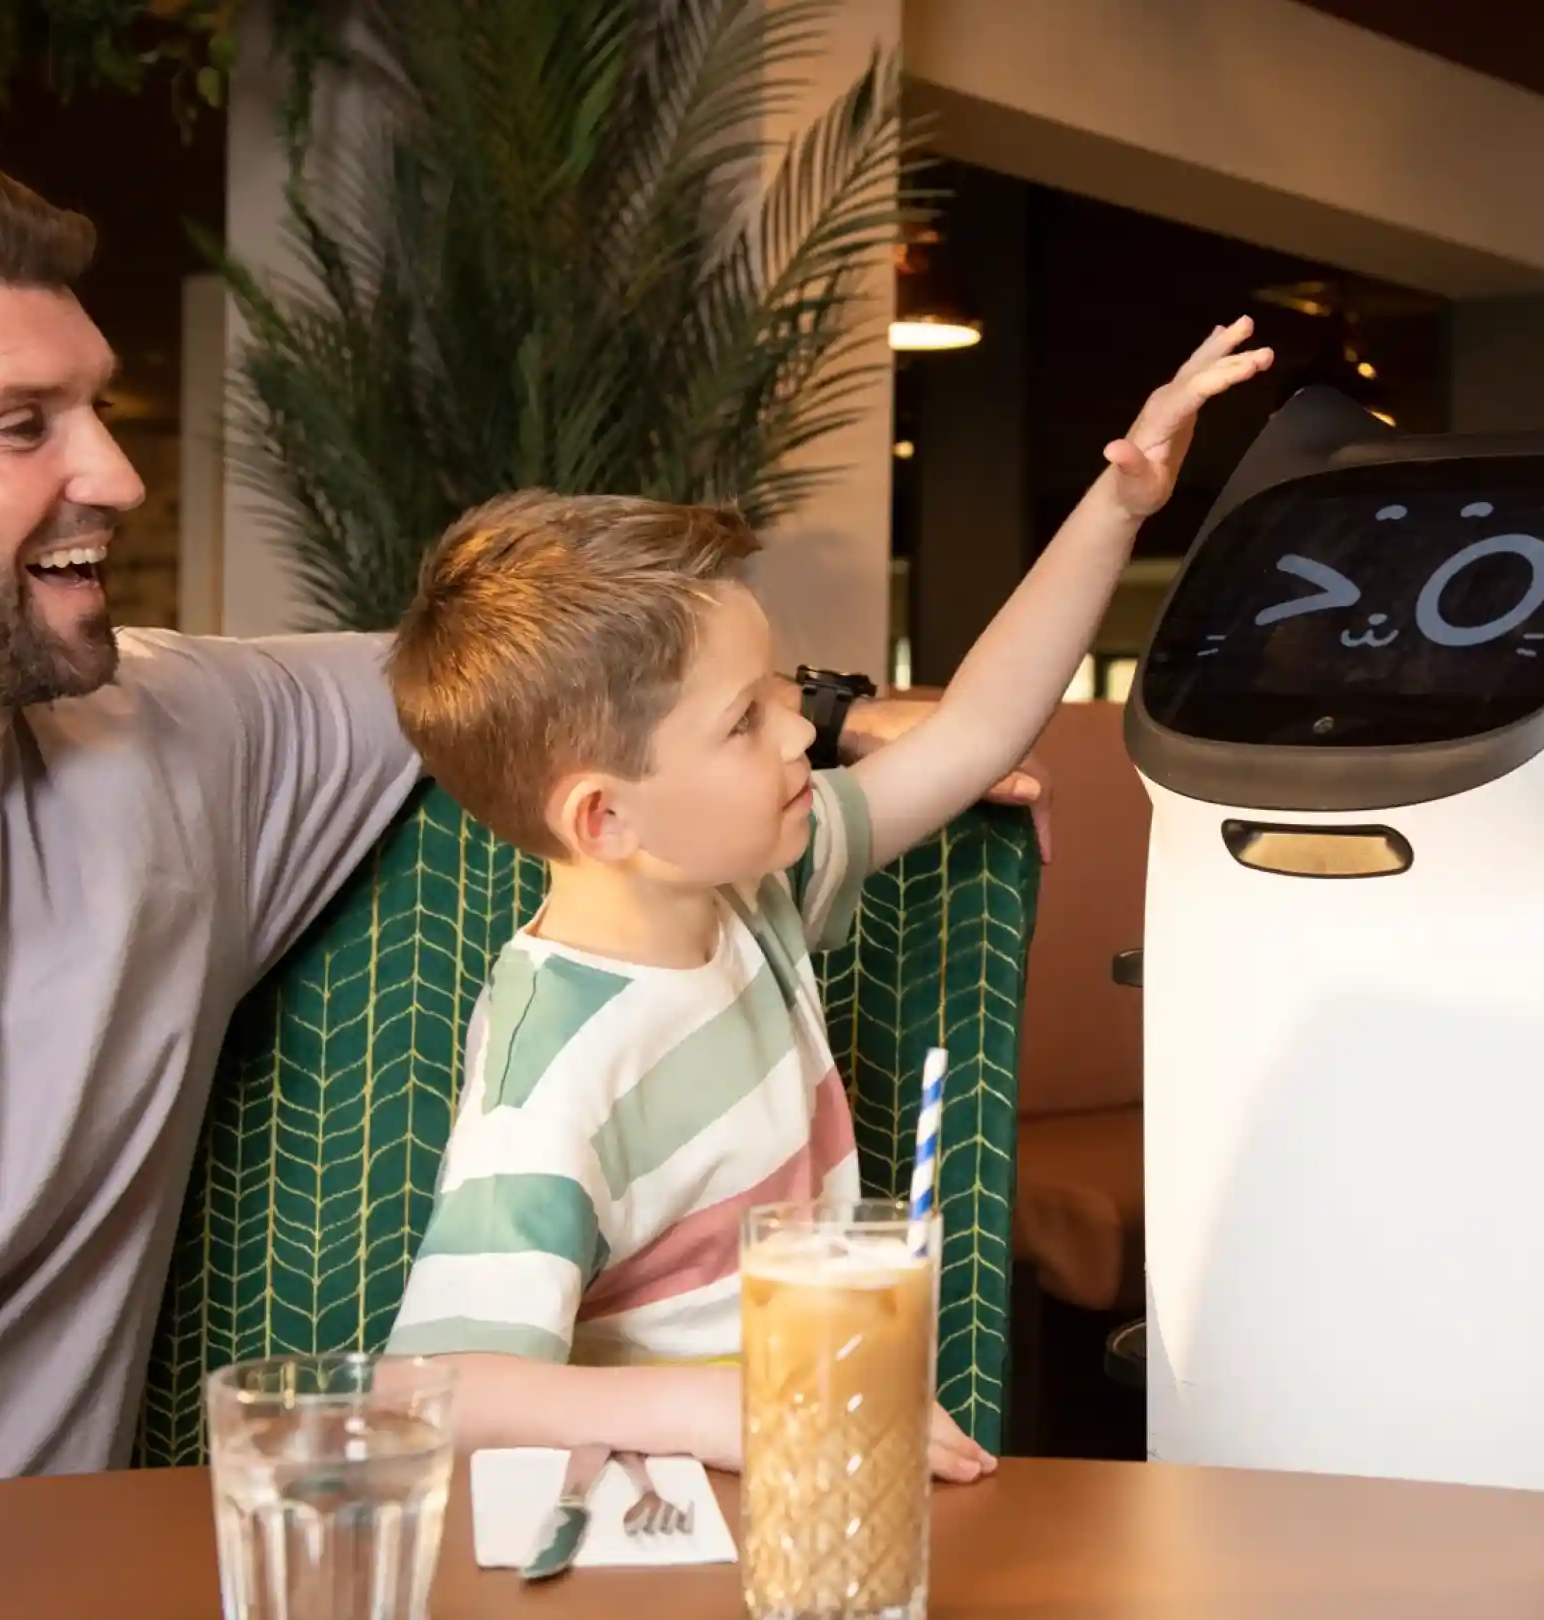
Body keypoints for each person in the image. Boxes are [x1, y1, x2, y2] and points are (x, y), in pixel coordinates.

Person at [0, 146, 1026, 1504]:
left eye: (93, 406)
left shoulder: (177, 733)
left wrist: (824, 712)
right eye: (23, 425)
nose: (117, 475)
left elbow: (552, 691)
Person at [375, 322, 1274, 1475]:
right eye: (745, 719)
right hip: (668, 1527)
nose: (805, 727)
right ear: (606, 818)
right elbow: (430, 1388)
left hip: (811, 1468)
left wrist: (1120, 503)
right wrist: (729, 1416)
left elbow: (977, 731)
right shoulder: (554, 1075)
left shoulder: (751, 892)